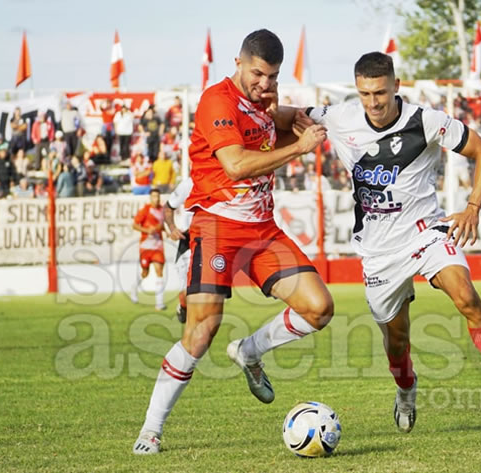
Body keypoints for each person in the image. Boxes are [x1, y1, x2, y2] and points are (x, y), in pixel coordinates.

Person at [287, 51, 481, 432]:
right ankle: (406, 389)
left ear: (396, 86)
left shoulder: (426, 121)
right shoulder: (338, 116)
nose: (373, 102)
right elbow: (285, 114)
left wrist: (473, 207)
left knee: (467, 297)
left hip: (427, 232)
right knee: (397, 341)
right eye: (365, 94)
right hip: (378, 252)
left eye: (380, 92)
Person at [132, 29, 334, 455]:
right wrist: (300, 146)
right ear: (238, 63)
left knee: (319, 308)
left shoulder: (265, 101)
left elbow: (287, 118)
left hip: (262, 229)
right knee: (201, 331)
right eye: (258, 74)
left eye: (273, 76)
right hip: (218, 226)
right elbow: (236, 165)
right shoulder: (217, 100)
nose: (265, 83)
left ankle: (249, 351)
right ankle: (150, 430)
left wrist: (306, 117)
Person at [161, 177, 193, 324]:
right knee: (187, 291)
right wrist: (172, 228)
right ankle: (183, 306)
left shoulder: (225, 180)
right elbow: (168, 207)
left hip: (215, 241)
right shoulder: (189, 184)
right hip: (189, 241)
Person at [130, 188, 167, 311]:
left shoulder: (162, 210)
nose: (156, 199)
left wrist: (165, 231)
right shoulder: (145, 210)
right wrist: (147, 230)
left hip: (158, 246)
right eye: (154, 196)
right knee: (145, 273)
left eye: (158, 196)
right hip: (145, 246)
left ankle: (159, 303)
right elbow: (135, 225)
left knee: (159, 271)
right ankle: (134, 288)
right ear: (150, 198)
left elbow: (163, 226)